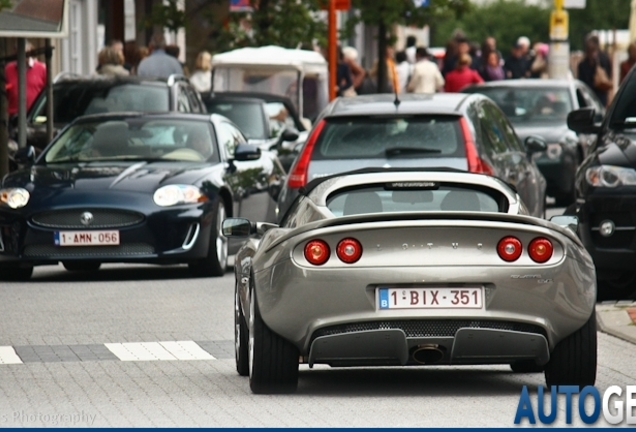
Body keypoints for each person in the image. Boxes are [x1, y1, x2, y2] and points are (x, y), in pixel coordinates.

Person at [5, 40, 47, 116]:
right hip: (14, 113)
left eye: (26, 53)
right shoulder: (8, 69)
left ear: (30, 51)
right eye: (19, 53)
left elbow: (48, 91)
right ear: (15, 52)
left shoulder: (42, 68)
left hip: (36, 114)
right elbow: (6, 90)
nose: (23, 57)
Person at [577, 34, 612, 106]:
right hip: (587, 95)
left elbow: (607, 75)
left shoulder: (603, 60)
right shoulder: (583, 64)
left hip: (600, 94)